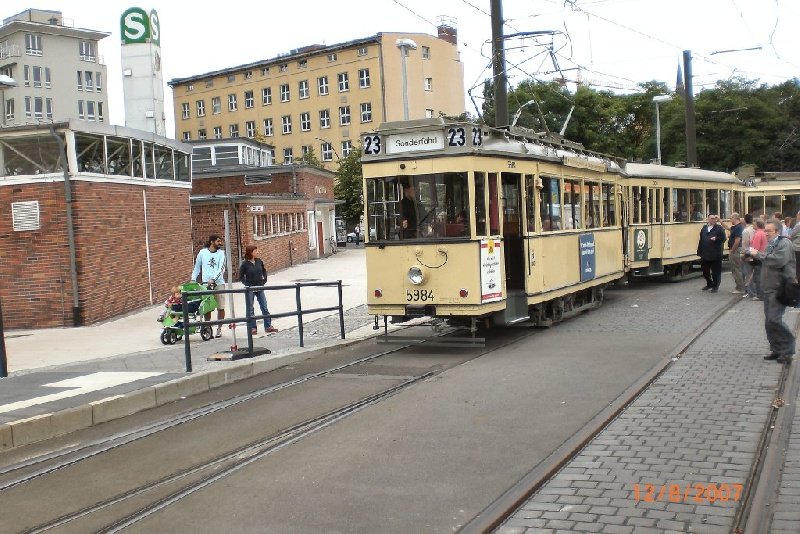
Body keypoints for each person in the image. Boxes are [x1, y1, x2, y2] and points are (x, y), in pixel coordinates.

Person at [748, 219, 796, 363]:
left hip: (779, 288)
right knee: (769, 322)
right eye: (765, 230)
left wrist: (758, 254)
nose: (766, 233)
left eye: (769, 231)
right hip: (768, 288)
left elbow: (778, 261)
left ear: (777, 231)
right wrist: (753, 258)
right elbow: (766, 261)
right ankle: (776, 349)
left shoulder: (784, 243)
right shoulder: (771, 244)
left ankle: (787, 350)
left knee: (774, 320)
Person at [191, 234, 227, 337]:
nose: (220, 243)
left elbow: (221, 268)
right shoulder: (202, 253)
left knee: (220, 307)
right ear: (211, 242)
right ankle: (207, 327)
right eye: (218, 241)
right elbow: (197, 266)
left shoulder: (221, 253)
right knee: (207, 307)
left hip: (218, 283)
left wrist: (214, 279)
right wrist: (193, 279)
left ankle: (219, 328)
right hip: (206, 284)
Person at [239, 245, 277, 335]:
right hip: (250, 288)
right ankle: (252, 327)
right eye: (256, 251)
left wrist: (264, 280)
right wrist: (246, 284)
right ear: (251, 252)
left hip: (259, 286)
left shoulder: (259, 261)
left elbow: (264, 270)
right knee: (250, 308)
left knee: (264, 306)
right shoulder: (245, 264)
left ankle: (268, 326)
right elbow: (241, 276)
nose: (258, 252)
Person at [697, 214, 726, 292]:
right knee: (705, 271)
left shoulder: (719, 228)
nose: (713, 220)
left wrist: (716, 238)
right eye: (712, 219)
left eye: (715, 219)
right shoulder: (704, 228)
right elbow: (701, 240)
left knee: (716, 272)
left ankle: (715, 286)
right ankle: (709, 283)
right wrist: (699, 251)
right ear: (708, 219)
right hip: (705, 253)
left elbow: (724, 239)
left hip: (715, 254)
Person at [724, 213, 745, 294]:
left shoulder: (738, 227)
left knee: (736, 269)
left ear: (735, 218)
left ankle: (740, 288)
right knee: (735, 269)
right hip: (735, 249)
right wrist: (720, 221)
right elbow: (727, 227)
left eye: (731, 218)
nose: (730, 219)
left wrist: (732, 250)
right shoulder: (735, 227)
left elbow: (737, 240)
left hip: (735, 250)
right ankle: (739, 286)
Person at [741, 214, 757, 298]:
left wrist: (743, 255)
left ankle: (751, 292)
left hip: (748, 254)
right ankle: (754, 291)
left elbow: (745, 244)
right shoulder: (755, 229)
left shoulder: (745, 231)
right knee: (754, 273)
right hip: (756, 253)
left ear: (744, 220)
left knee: (748, 273)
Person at [790, 210, 800, 279]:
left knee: (797, 265)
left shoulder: (798, 225)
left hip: (797, 247)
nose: (796, 216)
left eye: (797, 215)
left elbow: (791, 234)